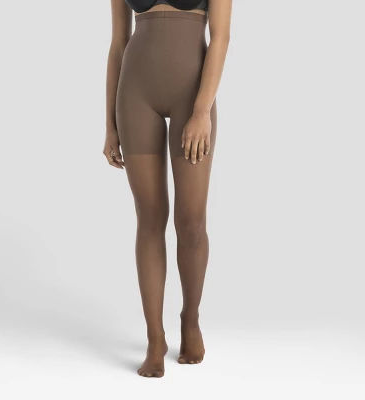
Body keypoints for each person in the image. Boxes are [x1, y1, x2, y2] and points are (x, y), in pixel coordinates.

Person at [103, 0, 232, 378]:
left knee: (191, 221)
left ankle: (190, 319)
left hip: (192, 97)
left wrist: (202, 110)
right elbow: (118, 43)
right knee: (149, 218)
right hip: (135, 95)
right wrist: (110, 124)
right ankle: (154, 338)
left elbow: (221, 37)